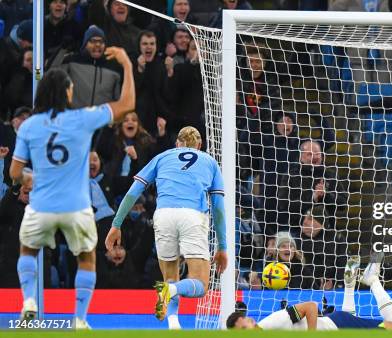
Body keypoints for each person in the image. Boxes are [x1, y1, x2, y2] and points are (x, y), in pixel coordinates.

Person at [9, 46, 135, 328]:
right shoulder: (83, 117)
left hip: (40, 206)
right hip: (77, 208)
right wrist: (127, 65)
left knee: (27, 250)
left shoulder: (29, 126)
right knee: (86, 258)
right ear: (66, 92)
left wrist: (30, 179)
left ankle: (29, 300)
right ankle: (79, 319)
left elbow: (15, 172)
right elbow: (126, 104)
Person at [105, 126, 228, 330]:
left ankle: (173, 324)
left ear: (177, 144)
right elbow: (218, 207)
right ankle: (171, 290)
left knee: (170, 276)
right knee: (200, 285)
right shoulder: (209, 161)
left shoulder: (162, 157)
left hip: (163, 216)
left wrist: (116, 224)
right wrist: (222, 246)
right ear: (199, 146)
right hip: (192, 216)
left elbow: (133, 192)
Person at [227, 257, 392, 330]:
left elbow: (311, 307)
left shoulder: (272, 323)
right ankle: (349, 285)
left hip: (338, 325)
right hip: (337, 323)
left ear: (252, 321)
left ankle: (373, 281)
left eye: (245, 327)